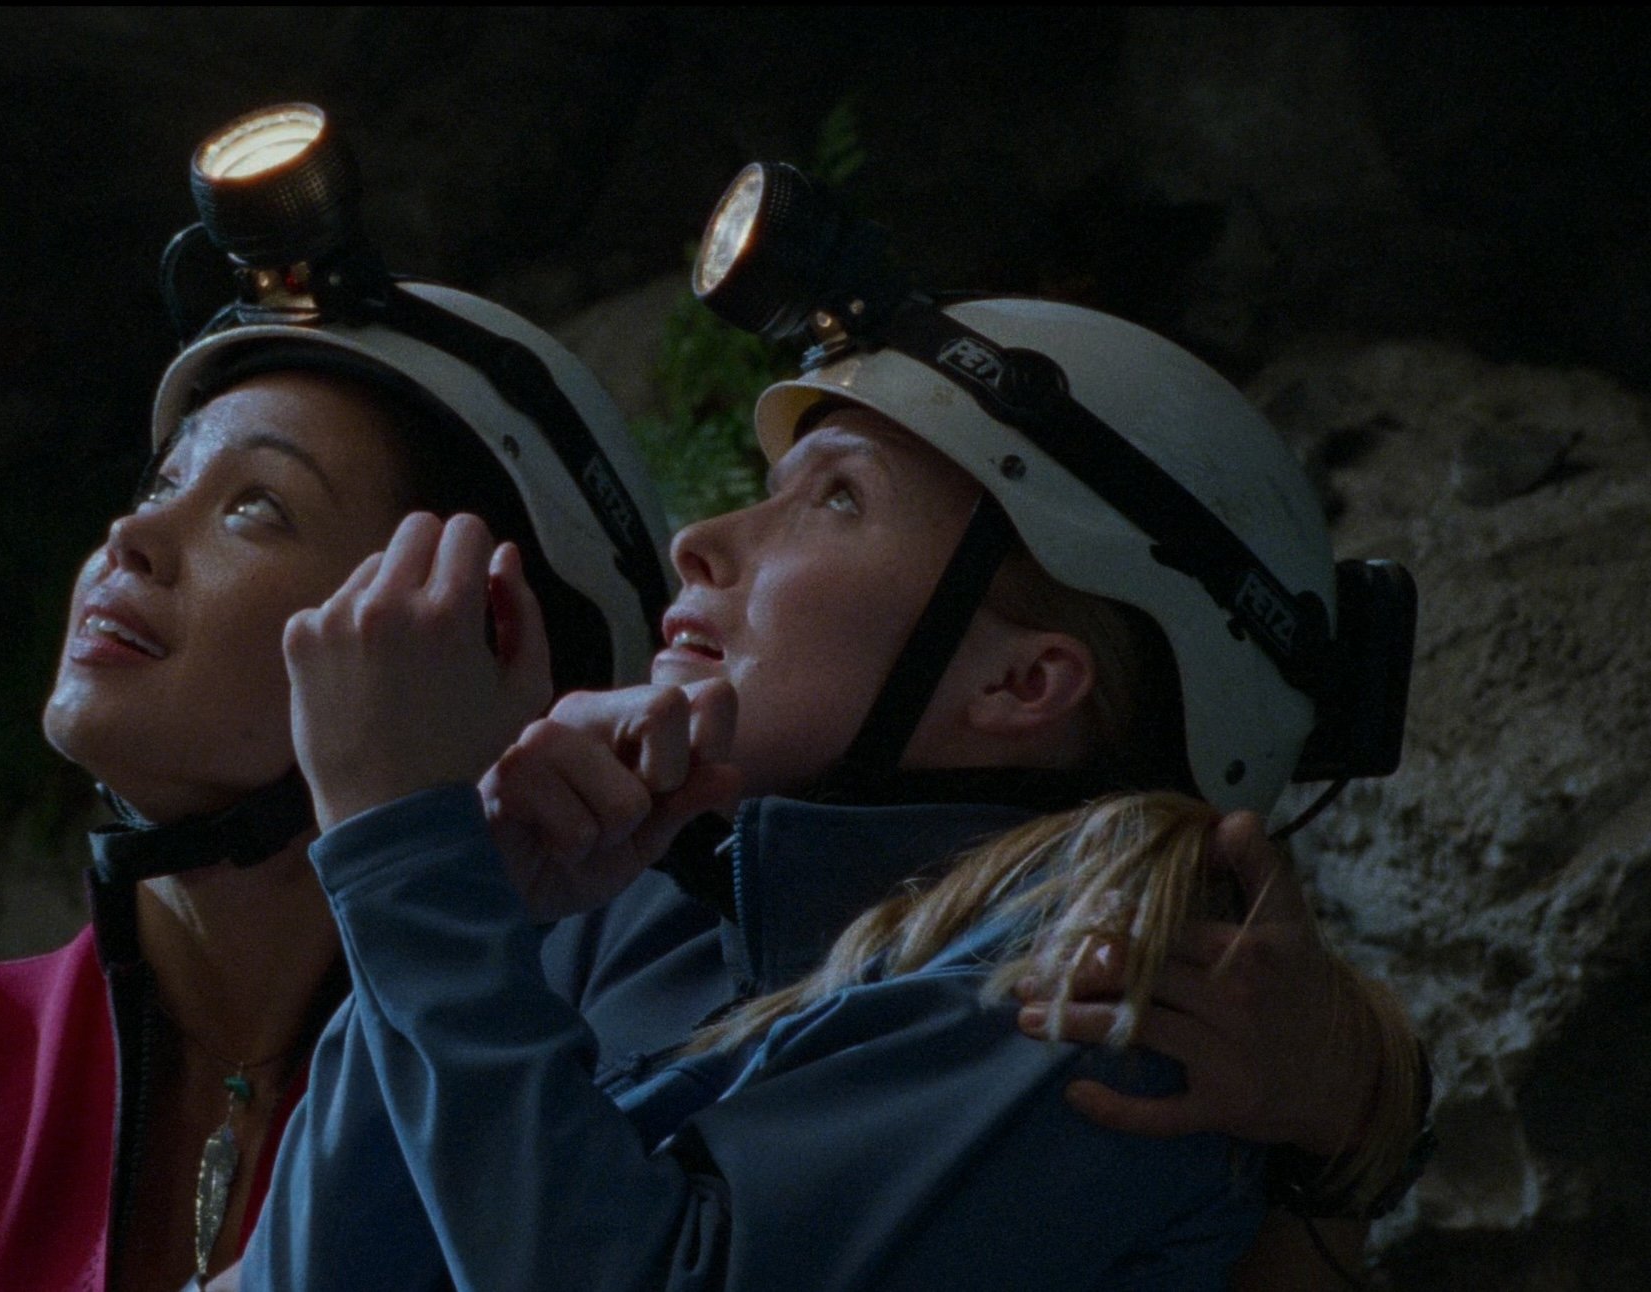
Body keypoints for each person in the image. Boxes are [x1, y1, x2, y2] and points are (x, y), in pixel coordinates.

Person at [249, 264, 1427, 1289]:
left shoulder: (1106, 986)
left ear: (1023, 683)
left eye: (836, 498)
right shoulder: (634, 900)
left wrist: (402, 845)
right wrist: (472, 891)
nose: (700, 540)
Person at [0, 105, 678, 1292]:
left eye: (254, 507)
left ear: (475, 638)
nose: (129, 535)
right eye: (162, 482)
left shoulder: (558, 1070)